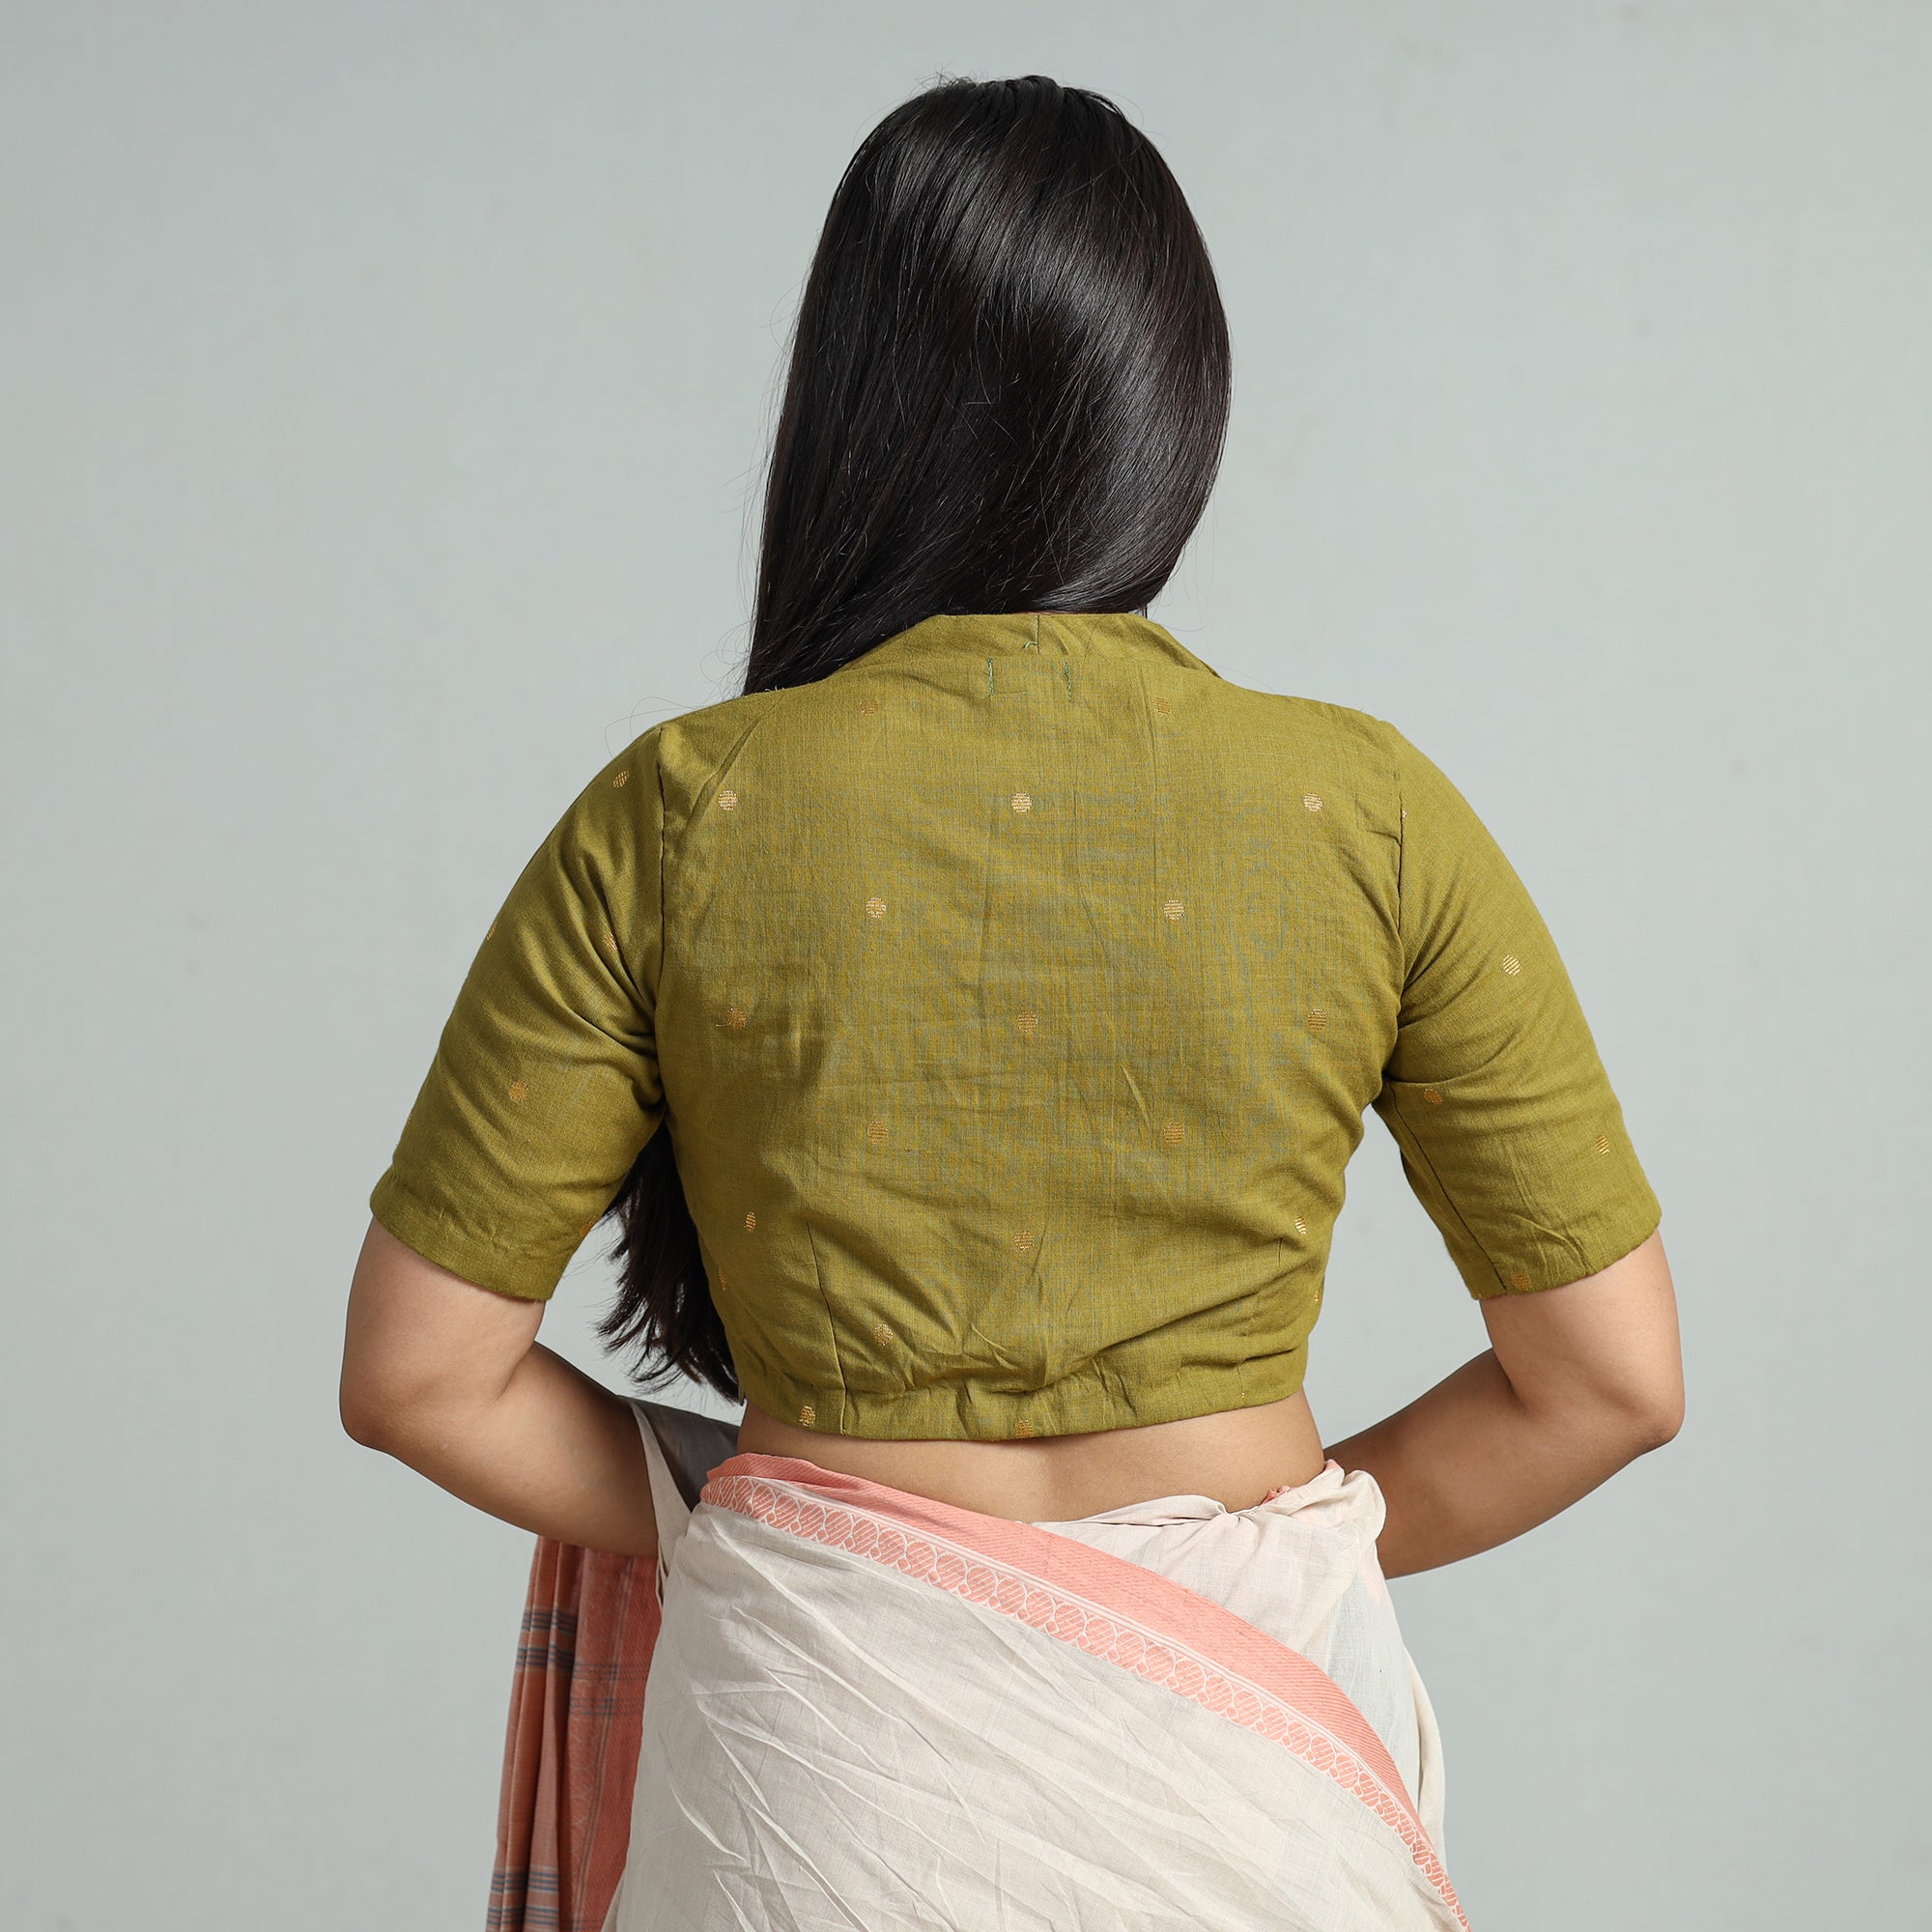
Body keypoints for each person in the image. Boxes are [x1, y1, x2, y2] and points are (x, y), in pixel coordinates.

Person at [340, 73, 1683, 1932]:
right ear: (1172, 410)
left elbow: (416, 1376)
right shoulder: (1365, 808)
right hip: (1260, 1770)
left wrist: (776, 1513)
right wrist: (1253, 1555)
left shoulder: (682, 809)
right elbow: (1613, 1381)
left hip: (813, 1791)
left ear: (850, 406)